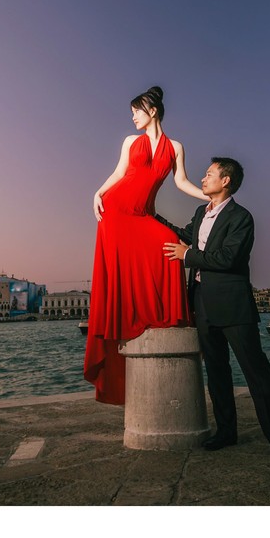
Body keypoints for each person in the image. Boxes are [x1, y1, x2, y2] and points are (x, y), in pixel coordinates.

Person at [84, 86, 208, 405]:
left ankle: (165, 316)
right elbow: (119, 172)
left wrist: (209, 196)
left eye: (137, 111)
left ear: (152, 110)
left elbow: (180, 182)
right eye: (132, 113)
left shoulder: (175, 147)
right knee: (127, 267)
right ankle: (135, 316)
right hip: (116, 211)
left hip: (142, 214)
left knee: (169, 242)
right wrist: (97, 193)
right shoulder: (130, 142)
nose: (133, 117)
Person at [162, 157, 270, 458]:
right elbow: (184, 235)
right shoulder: (200, 212)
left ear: (226, 181)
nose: (203, 179)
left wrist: (188, 256)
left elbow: (227, 259)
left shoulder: (241, 217)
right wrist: (151, 217)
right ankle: (226, 432)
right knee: (217, 372)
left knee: (256, 373)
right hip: (202, 302)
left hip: (234, 306)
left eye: (209, 175)